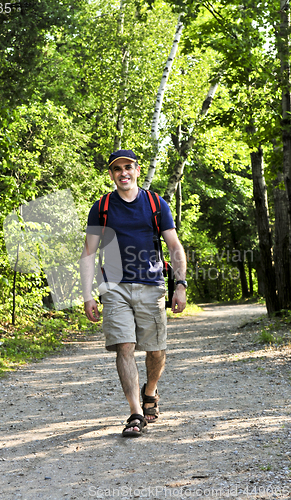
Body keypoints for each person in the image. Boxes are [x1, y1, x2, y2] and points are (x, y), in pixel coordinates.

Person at [80, 149, 187, 437]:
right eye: (117, 169)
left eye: (128, 167)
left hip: (152, 286)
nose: (123, 173)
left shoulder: (156, 204)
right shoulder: (101, 207)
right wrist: (88, 295)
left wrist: (180, 284)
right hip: (113, 288)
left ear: (137, 170)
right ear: (112, 175)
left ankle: (150, 391)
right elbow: (89, 253)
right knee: (124, 347)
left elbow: (175, 247)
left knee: (156, 349)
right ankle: (135, 412)